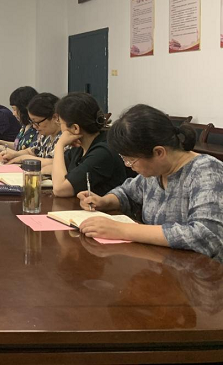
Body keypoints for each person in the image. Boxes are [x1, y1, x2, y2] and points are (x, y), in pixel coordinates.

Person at [78, 104, 223, 261]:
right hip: (161, 263)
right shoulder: (156, 171)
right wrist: (104, 201)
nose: (128, 165)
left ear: (159, 152)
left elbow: (205, 235)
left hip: (199, 271)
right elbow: (127, 192)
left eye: (131, 160)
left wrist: (122, 230)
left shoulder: (206, 171)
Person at [51, 92, 128, 197]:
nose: (61, 128)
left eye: (60, 123)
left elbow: (60, 189)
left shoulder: (103, 153)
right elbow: (57, 168)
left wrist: (59, 145)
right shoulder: (80, 147)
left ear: (75, 128)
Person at [0, 92, 62, 170]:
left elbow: (55, 163)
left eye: (37, 122)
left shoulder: (65, 138)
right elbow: (31, 151)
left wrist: (22, 158)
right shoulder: (46, 135)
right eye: (32, 122)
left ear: (55, 117)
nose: (34, 126)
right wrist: (14, 155)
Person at [0, 86, 38, 153]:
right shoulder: (24, 126)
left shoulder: (37, 128)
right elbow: (17, 146)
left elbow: (28, 152)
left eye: (14, 109)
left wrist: (0, 147)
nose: (13, 113)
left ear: (23, 109)